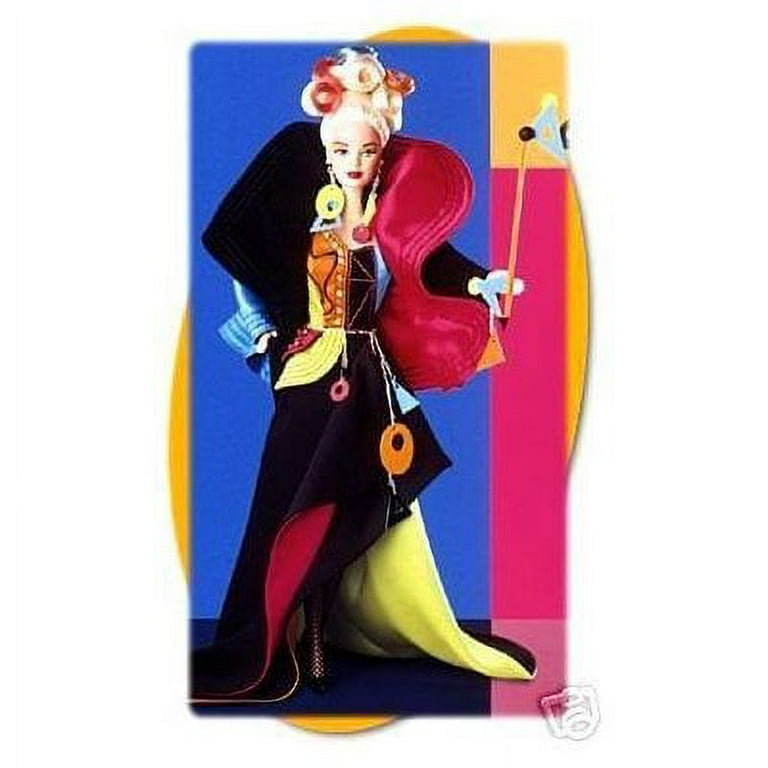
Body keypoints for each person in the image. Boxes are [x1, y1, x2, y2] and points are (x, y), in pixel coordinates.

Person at [191, 45, 535, 704]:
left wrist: (482, 282)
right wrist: (264, 337)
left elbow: (432, 263)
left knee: (355, 502)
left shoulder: (389, 222)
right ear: (325, 152)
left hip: (370, 383)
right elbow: (249, 276)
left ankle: (325, 633)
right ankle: (289, 632)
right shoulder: (305, 219)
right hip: (309, 375)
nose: (353, 162)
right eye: (341, 150)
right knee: (294, 504)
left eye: (367, 151)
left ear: (384, 153)